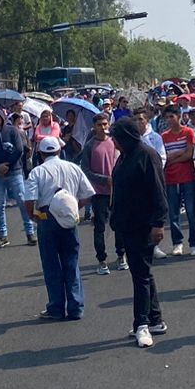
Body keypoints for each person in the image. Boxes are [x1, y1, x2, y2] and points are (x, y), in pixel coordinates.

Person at [109, 118, 169, 347]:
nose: (113, 141)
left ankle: (141, 324)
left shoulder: (147, 155)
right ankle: (155, 319)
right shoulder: (124, 156)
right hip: (126, 223)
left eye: (116, 137)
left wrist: (158, 223)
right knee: (142, 272)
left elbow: (159, 192)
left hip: (143, 224)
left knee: (140, 276)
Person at [26, 135, 94, 321]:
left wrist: (33, 216)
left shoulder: (38, 172)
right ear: (59, 151)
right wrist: (73, 208)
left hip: (47, 217)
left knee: (51, 263)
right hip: (69, 217)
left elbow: (29, 200)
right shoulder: (73, 167)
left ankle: (56, 307)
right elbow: (88, 194)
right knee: (71, 261)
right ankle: (76, 307)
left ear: (40, 153)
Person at [0, 110, 32, 248]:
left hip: (14, 172)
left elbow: (19, 149)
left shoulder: (12, 131)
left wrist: (7, 166)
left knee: (22, 201)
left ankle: (30, 232)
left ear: (3, 118)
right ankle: (3, 236)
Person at [156, 103, 195, 257]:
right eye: (167, 117)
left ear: (179, 116)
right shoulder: (163, 136)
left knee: (191, 211)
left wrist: (173, 157)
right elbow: (164, 157)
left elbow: (188, 154)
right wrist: (178, 154)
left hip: (188, 176)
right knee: (173, 212)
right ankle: (177, 243)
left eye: (171, 116)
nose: (169, 120)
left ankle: (194, 243)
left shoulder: (188, 132)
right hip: (170, 178)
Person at [82, 113, 124, 274]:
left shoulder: (116, 142)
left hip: (117, 191)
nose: (103, 127)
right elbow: (86, 170)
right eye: (99, 125)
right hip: (99, 193)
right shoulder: (89, 146)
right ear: (94, 127)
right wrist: (104, 179)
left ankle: (121, 255)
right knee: (100, 226)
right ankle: (102, 260)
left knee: (119, 224)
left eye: (105, 124)